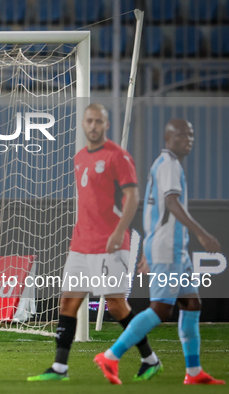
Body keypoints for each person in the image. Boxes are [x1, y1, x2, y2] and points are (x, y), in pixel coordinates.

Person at [28, 103, 160, 382]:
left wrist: (118, 233)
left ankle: (150, 358)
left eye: (98, 121)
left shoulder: (118, 156)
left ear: (106, 124)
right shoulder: (78, 158)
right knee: (67, 304)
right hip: (81, 244)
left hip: (110, 243)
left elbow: (132, 197)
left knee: (115, 305)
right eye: (89, 121)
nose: (93, 126)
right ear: (83, 124)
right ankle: (59, 368)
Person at [94, 119, 225, 385]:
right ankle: (111, 355)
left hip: (172, 248)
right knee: (161, 309)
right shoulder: (170, 166)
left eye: (191, 134)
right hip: (168, 249)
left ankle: (194, 371)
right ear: (168, 138)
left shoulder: (162, 165)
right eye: (182, 135)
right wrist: (201, 232)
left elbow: (155, 210)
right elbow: (171, 203)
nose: (189, 139)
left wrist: (146, 250)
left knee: (192, 305)